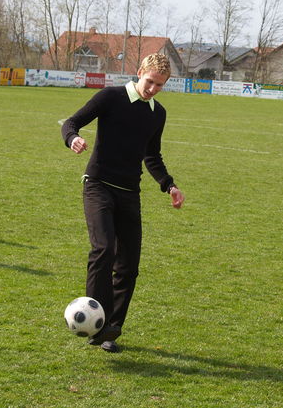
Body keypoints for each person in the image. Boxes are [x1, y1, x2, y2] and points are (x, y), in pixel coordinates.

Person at [61, 53, 185, 353]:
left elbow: (151, 155)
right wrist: (73, 138)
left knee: (129, 267)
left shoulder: (158, 113)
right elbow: (72, 122)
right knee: (104, 249)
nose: (153, 89)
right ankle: (96, 319)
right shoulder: (111, 97)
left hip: (130, 193)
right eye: (150, 81)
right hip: (99, 185)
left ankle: (110, 330)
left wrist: (169, 184)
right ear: (139, 72)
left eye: (160, 85)